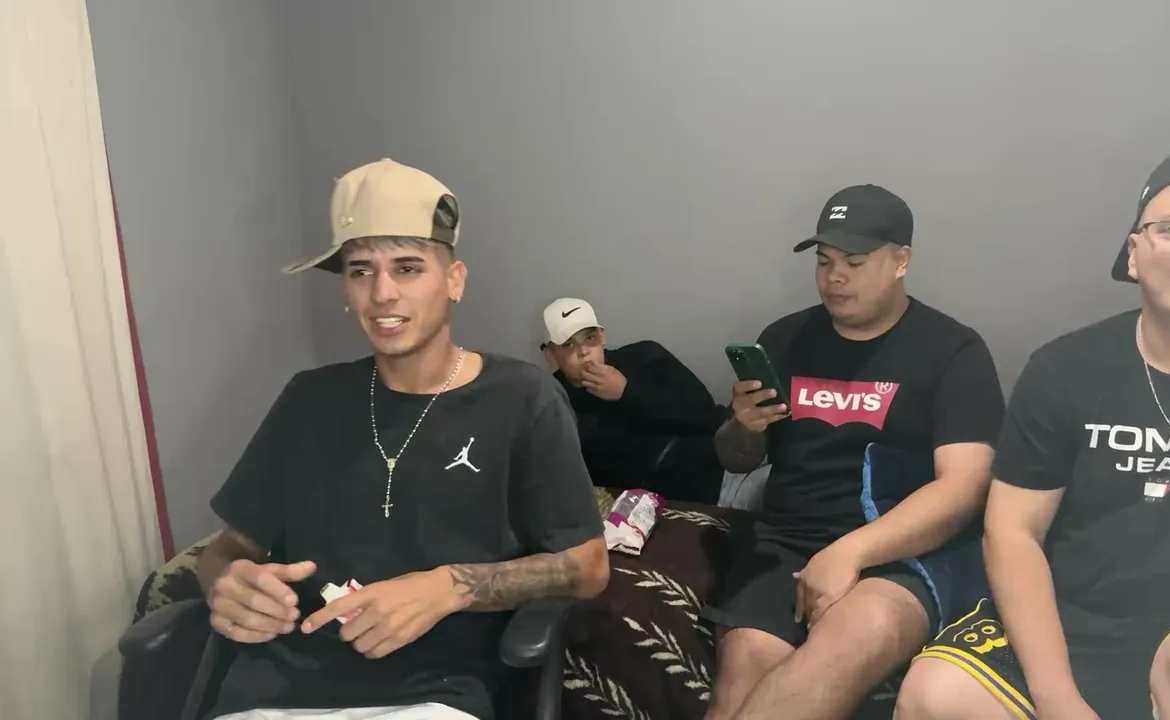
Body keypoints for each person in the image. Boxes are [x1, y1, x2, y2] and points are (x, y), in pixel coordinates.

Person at [194, 158, 610, 720]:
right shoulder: (308, 399)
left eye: (408, 268)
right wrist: (225, 583)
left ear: (454, 280)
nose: (382, 293)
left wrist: (447, 588)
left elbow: (588, 566)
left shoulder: (523, 398)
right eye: (361, 271)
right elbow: (227, 549)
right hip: (272, 696)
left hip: (433, 696)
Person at [894, 144, 1170, 720]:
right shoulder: (1065, 368)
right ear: (1134, 254)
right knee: (938, 696)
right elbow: (1013, 531)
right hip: (1082, 619)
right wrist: (1057, 698)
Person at [699, 184, 1006, 719]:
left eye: (855, 262)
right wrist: (744, 427)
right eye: (825, 262)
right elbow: (737, 460)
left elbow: (965, 488)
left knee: (839, 651)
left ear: (901, 260)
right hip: (789, 538)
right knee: (743, 670)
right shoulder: (785, 338)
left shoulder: (953, 350)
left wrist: (850, 553)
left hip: (902, 547)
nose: (834, 277)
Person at [541, 297, 726, 504]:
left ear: (602, 337)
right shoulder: (550, 401)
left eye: (590, 337)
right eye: (568, 344)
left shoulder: (646, 357)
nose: (583, 351)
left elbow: (705, 414)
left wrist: (628, 391)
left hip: (717, 469)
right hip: (651, 503)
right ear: (551, 355)